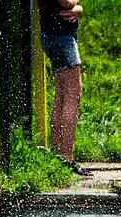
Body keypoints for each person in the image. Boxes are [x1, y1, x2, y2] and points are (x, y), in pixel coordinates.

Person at [38, 0, 90, 173]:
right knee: (73, 95)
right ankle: (66, 157)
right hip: (61, 38)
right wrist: (75, 4)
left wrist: (78, 9)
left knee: (62, 95)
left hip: (55, 35)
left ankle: (57, 153)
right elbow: (65, 2)